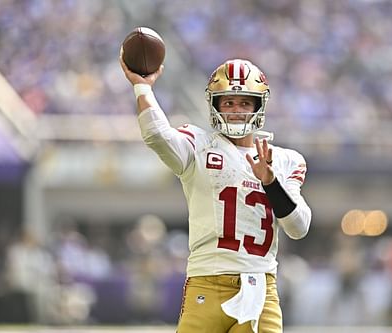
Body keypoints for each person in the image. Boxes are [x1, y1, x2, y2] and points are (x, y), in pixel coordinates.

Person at [120, 54, 312, 333]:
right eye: (228, 102)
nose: (236, 110)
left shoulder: (284, 160)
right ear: (215, 105)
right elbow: (156, 135)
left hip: (259, 286)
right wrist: (143, 88)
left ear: (259, 106)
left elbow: (299, 227)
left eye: (245, 102)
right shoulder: (199, 145)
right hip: (205, 282)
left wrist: (270, 181)